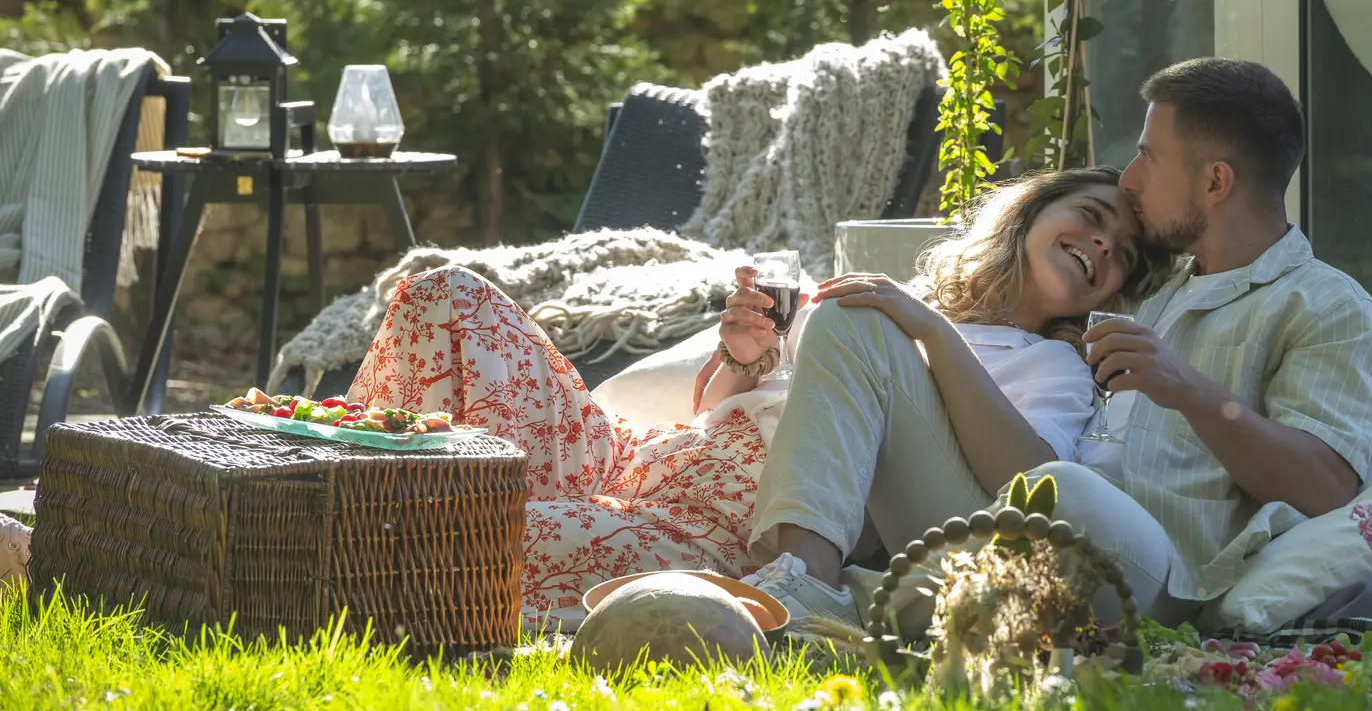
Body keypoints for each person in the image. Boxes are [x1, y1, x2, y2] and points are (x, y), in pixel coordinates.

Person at [744, 58, 1372, 629]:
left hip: (1155, 573)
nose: (1129, 179)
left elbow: (1331, 487)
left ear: (1215, 182)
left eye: (1150, 158)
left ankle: (875, 601)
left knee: (1060, 490)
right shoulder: (1154, 283)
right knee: (857, 315)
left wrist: (1187, 391)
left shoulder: (1324, 306)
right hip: (1021, 519)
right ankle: (804, 596)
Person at [338, 165, 1168, 630]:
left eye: (1123, 252)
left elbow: (1031, 483)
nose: (1103, 243)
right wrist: (744, 364)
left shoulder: (1049, 366)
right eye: (1092, 216)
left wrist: (929, 335)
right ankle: (328, 476)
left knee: (456, 534)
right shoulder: (896, 300)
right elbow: (738, 413)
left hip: (720, 528)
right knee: (445, 292)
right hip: (641, 457)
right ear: (1029, 212)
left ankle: (316, 534)